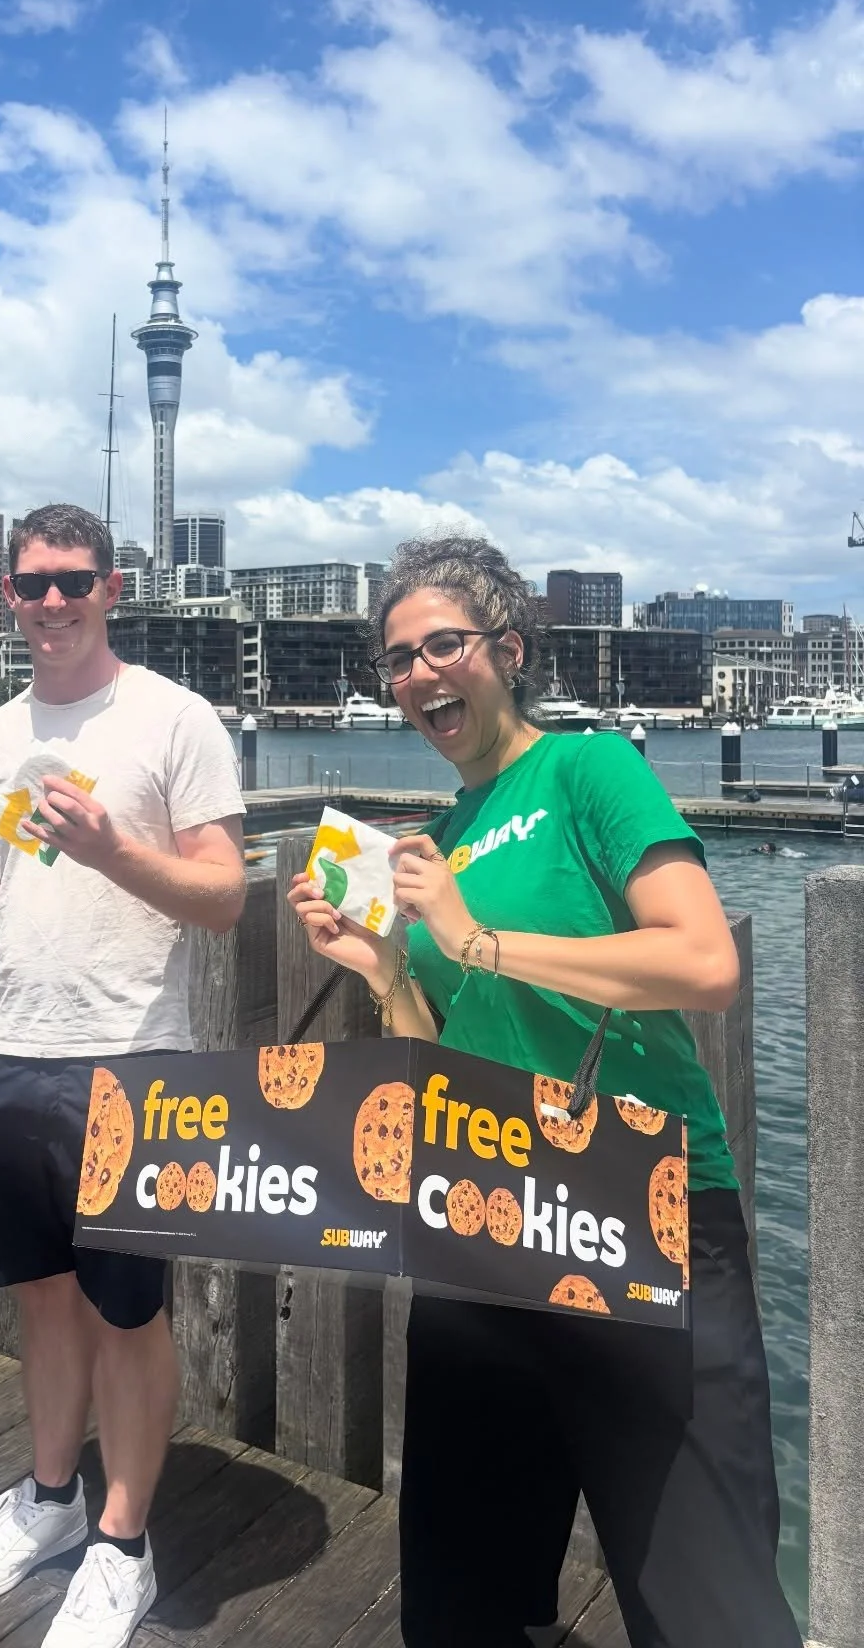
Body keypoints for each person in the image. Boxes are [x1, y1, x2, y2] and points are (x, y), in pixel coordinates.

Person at [291, 535, 801, 1648]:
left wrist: (474, 941)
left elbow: (704, 964)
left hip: (642, 1209)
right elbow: (439, 1054)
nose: (422, 674)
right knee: (465, 1593)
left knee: (704, 1594)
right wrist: (387, 970)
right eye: (399, 659)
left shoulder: (588, 771)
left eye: (445, 645)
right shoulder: (444, 840)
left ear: (507, 650)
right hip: (482, 1220)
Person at [0, 502, 247, 1648]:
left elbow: (224, 896)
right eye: (31, 584)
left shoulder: (176, 718)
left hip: (132, 1063)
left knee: (128, 1312)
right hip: (8, 1057)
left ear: (114, 588)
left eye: (74, 581)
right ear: (7, 596)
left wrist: (114, 846)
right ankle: (52, 1499)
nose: (52, 602)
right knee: (42, 1299)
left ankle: (124, 1544)